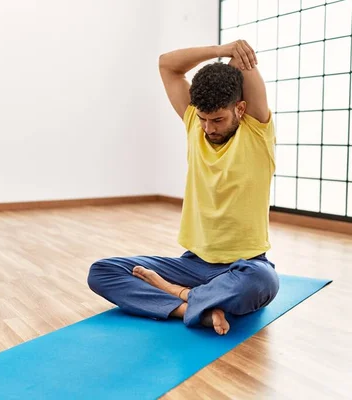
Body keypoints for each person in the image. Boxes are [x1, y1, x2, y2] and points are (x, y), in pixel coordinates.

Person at [87, 40, 279, 335]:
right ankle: (192, 310)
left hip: (244, 266)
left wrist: (239, 55)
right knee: (102, 271)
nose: (208, 128)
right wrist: (221, 50)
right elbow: (167, 64)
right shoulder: (194, 124)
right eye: (203, 119)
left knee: (263, 282)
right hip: (192, 265)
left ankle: (181, 295)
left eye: (217, 119)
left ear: (240, 109)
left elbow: (246, 65)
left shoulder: (256, 133)